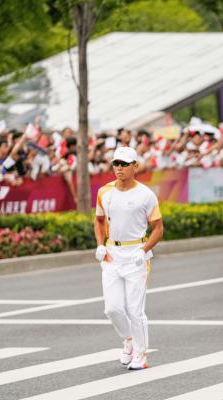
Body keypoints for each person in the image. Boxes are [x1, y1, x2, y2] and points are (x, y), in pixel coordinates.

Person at [93, 146, 164, 370]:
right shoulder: (105, 192)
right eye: (116, 163)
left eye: (124, 164)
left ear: (135, 166)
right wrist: (100, 245)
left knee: (135, 310)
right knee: (112, 309)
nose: (119, 168)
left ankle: (141, 355)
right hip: (112, 256)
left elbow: (158, 228)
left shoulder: (145, 195)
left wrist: (143, 251)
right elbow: (98, 220)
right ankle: (129, 340)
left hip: (136, 256)